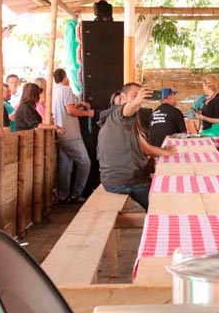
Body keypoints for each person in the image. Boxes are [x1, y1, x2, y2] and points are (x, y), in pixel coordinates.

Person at [98, 84, 175, 210]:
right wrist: (168, 153)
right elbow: (126, 111)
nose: (139, 100)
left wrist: (164, 152)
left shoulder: (119, 119)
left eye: (141, 96)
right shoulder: (119, 114)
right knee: (164, 204)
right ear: (123, 97)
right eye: (135, 95)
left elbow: (145, 148)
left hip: (112, 179)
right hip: (125, 180)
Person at [51, 68, 94, 203]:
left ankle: (63, 195)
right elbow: (70, 111)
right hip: (71, 133)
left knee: (66, 166)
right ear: (64, 78)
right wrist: (88, 113)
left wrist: (79, 106)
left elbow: (65, 110)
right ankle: (76, 194)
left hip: (60, 132)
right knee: (85, 163)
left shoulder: (53, 92)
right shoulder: (66, 89)